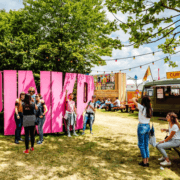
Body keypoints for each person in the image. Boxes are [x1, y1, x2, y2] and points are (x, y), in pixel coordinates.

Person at [132, 96, 152, 167]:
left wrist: (136, 98)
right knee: (146, 144)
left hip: (141, 126)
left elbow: (133, 99)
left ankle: (144, 162)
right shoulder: (150, 108)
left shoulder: (142, 107)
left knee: (141, 144)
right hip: (147, 126)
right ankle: (147, 160)